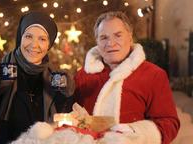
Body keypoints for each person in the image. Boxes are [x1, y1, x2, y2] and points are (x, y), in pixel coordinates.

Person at [0, 12, 73, 144]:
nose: (34, 44)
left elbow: (64, 129)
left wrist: (67, 97)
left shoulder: (56, 80)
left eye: (42, 39)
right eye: (28, 36)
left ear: (49, 44)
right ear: (21, 37)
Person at [73, 11, 180, 144]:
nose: (111, 43)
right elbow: (69, 119)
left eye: (118, 35)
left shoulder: (153, 75)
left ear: (130, 37)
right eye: (104, 37)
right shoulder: (82, 76)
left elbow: (169, 123)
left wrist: (134, 133)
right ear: (97, 42)